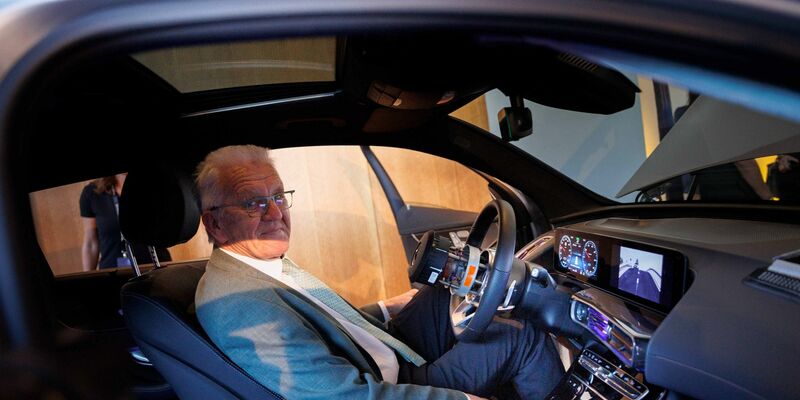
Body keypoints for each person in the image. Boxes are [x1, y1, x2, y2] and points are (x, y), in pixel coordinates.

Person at [194, 145, 562, 399]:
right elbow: (343, 397)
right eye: (254, 204)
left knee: (441, 291)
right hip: (388, 382)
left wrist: (388, 307)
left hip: (385, 349)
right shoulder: (237, 304)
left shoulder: (250, 262)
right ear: (215, 223)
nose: (276, 214)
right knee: (521, 337)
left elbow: (318, 321)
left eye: (278, 197)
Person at [80, 173, 171, 271]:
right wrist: (88, 279)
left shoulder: (155, 184)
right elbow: (91, 243)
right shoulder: (92, 193)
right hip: (113, 272)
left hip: (156, 268)